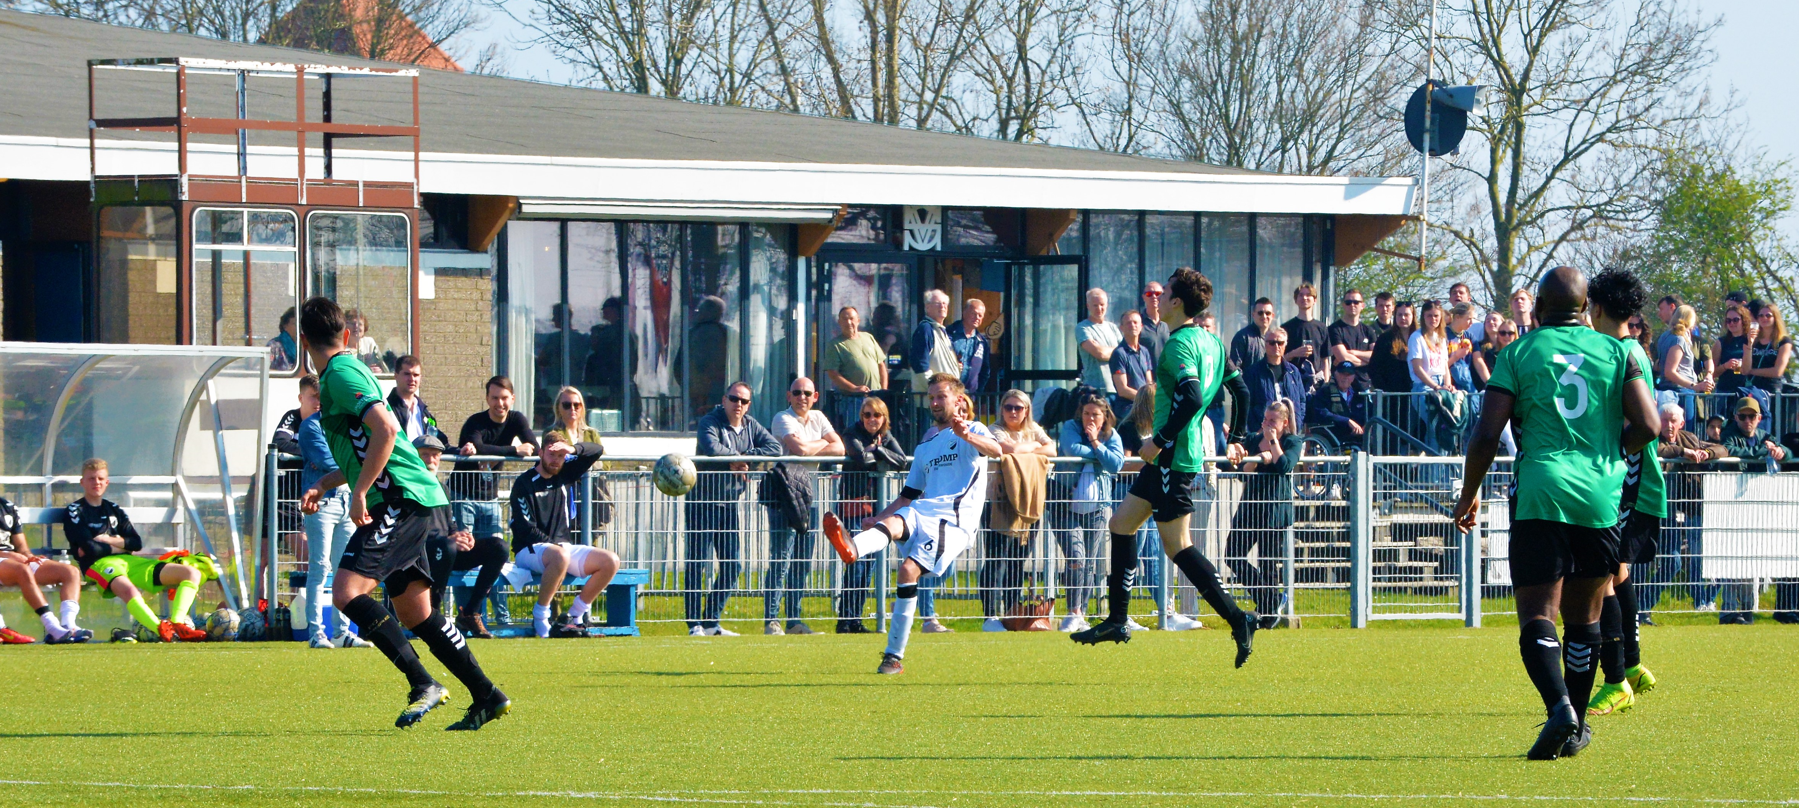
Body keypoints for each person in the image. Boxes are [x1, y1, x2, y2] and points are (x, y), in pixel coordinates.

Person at [1451, 266, 1658, 760]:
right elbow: (1649, 424)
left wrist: (1468, 494)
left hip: (1541, 491)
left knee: (1537, 616)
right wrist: (1609, 448)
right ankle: (1578, 724)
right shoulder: (1618, 351)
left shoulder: (1518, 352)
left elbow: (1485, 434)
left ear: (1539, 310)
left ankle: (1559, 707)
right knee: (1585, 619)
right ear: (1586, 309)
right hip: (1600, 497)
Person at [296, 296, 507, 730]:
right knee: (416, 613)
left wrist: (359, 492)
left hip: (399, 499)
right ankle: (487, 695)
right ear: (347, 335)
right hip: (407, 496)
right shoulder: (343, 374)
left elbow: (388, 430)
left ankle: (422, 683)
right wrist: (327, 483)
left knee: (346, 591)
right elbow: (368, 449)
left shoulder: (338, 372)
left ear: (303, 341)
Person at [1065, 267, 1257, 663]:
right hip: (1171, 459)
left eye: (1165, 291)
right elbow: (1241, 390)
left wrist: (1159, 440)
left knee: (1178, 546)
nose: (1157, 296)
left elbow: (1190, 397)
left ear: (1176, 302)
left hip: (1174, 457)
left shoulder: (1178, 346)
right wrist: (1236, 437)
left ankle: (1239, 618)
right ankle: (1117, 619)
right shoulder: (1212, 342)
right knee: (1121, 524)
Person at [820, 373, 1002, 674]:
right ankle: (853, 547)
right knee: (892, 523)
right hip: (922, 509)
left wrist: (966, 434)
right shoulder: (927, 443)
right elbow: (909, 494)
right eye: (930, 397)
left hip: (953, 523)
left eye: (940, 396)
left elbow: (997, 451)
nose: (933, 402)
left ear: (957, 400)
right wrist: (877, 517)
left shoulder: (974, 429)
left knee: (907, 570)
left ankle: (893, 655)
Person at [1582, 268, 1663, 717]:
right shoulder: (1634, 348)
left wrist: (1608, 450)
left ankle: (1616, 680)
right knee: (1617, 572)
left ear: (1595, 307)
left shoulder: (1617, 351)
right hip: (1637, 481)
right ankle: (1631, 667)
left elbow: (1642, 427)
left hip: (1629, 482)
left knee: (1604, 574)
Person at [64, 458, 206, 643]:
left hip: (130, 562)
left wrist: (107, 541)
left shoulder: (114, 509)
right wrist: (119, 545)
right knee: (130, 590)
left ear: (107, 482)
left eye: (100, 478)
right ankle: (162, 630)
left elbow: (136, 543)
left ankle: (178, 624)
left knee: (191, 573)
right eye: (91, 478)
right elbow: (89, 548)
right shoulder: (75, 511)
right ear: (82, 482)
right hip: (98, 565)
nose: (96, 482)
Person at [689, 382, 783, 636]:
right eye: (734, 399)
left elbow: (775, 447)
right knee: (697, 562)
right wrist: (735, 460)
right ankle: (693, 624)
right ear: (724, 399)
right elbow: (711, 448)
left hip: (730, 503)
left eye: (744, 401)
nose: (738, 404)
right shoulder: (710, 421)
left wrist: (746, 458)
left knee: (732, 565)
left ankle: (711, 622)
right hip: (703, 502)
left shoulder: (751, 425)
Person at [449, 376, 537, 638]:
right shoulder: (475, 422)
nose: (500, 403)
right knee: (464, 556)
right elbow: (476, 448)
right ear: (487, 399)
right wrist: (513, 449)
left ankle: (492, 614)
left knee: (497, 555)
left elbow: (534, 447)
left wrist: (522, 449)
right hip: (463, 495)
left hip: (490, 499)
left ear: (512, 399)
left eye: (504, 398)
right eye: (495, 398)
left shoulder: (517, 419)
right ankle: (462, 612)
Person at [508, 437, 617, 638]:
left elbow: (596, 450)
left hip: (561, 549)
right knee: (560, 556)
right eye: (551, 454)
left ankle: (574, 616)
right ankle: (540, 616)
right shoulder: (524, 483)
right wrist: (555, 547)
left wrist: (573, 449)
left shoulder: (565, 473)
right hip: (529, 549)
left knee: (610, 561)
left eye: (561, 456)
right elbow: (526, 528)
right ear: (540, 453)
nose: (556, 460)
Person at [296, 373, 374, 650]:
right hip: (323, 502)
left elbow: (356, 457)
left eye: (323, 396)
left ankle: (342, 632)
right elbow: (328, 461)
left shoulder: (340, 424)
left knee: (344, 569)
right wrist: (354, 466)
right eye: (315, 396)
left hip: (348, 499)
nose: (320, 402)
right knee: (320, 567)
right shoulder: (310, 426)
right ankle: (316, 633)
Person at [766, 376, 844, 635]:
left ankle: (794, 620)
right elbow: (798, 449)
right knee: (782, 558)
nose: (802, 397)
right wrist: (824, 442)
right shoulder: (782, 418)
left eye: (807, 393)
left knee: (802, 561)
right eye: (797, 392)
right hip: (784, 497)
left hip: (810, 498)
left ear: (816, 396)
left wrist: (815, 446)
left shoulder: (819, 417)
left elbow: (840, 446)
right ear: (789, 396)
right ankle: (772, 620)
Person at [980, 389, 1056, 632]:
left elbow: (1052, 449)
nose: (1013, 412)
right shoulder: (993, 429)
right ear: (1001, 409)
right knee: (997, 559)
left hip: (1030, 504)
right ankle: (990, 615)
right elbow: (1005, 449)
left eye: (1018, 408)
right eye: (1008, 407)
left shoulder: (1034, 428)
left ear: (1026, 410)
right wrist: (1034, 447)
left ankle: (1013, 611)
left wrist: (1028, 445)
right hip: (998, 502)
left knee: (1018, 559)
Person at [1643, 405, 1725, 623]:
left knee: (1678, 562)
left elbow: (1722, 449)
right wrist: (1682, 452)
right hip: (1653, 509)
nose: (1669, 425)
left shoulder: (1690, 438)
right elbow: (1656, 450)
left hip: (1683, 508)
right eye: (1665, 420)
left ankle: (1643, 606)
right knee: (1647, 563)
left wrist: (1705, 453)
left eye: (1673, 421)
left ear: (1681, 423)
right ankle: (1638, 609)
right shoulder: (1649, 435)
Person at [1053, 394, 1126, 633]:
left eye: (1096, 414)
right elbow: (1071, 448)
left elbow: (1116, 464)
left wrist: (1096, 442)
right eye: (1086, 413)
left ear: (1105, 416)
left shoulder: (1111, 434)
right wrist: (1099, 453)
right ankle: (1072, 612)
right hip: (1066, 505)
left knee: (1090, 562)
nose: (1090, 418)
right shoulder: (1070, 428)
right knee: (1076, 558)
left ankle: (1081, 613)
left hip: (1098, 508)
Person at [1225, 400, 1303, 625]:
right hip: (1250, 508)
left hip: (1274, 511)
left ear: (1284, 423)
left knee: (1267, 562)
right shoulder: (1252, 439)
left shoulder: (1292, 441)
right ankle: (1271, 599)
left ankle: (1269, 613)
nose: (1267, 424)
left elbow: (1285, 466)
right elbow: (1242, 472)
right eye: (1265, 420)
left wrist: (1273, 443)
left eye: (1273, 421)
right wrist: (1257, 461)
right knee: (1233, 554)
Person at [836, 397, 907, 634]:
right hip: (853, 506)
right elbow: (862, 460)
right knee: (855, 562)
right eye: (867, 415)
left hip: (876, 508)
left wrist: (877, 449)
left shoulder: (885, 436)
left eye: (876, 415)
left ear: (884, 417)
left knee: (868, 566)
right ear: (861, 417)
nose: (871, 420)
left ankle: (855, 619)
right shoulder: (851, 432)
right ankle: (845, 620)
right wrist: (876, 454)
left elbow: (901, 461)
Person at [0, 496, 90, 644]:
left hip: (12, 560)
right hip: (8, 561)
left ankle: (69, 625)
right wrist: (7, 554)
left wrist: (28, 556)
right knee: (22, 570)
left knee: (70, 572)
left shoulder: (7, 506)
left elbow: (21, 545)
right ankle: (52, 627)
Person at [821, 306, 889, 431]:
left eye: (851, 318)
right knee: (857, 434)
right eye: (844, 319)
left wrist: (883, 391)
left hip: (876, 398)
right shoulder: (835, 345)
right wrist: (854, 388)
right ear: (839, 322)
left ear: (858, 320)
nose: (848, 322)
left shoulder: (868, 338)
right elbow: (833, 373)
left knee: (880, 432)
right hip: (854, 401)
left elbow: (881, 365)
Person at [1409, 300, 1459, 453]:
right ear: (1423, 317)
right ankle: (1432, 476)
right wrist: (1435, 386)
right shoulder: (1416, 337)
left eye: (1436, 316)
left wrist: (1447, 384)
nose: (1433, 319)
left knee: (1445, 429)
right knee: (1436, 428)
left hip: (1440, 385)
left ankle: (1442, 475)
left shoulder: (1441, 338)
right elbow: (1417, 368)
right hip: (1423, 386)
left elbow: (1444, 365)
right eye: (1429, 316)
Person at [677, 295, 733, 421]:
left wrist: (689, 385)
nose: (697, 313)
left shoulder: (695, 333)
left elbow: (679, 366)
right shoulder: (727, 333)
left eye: (700, 310)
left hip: (702, 391)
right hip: (715, 390)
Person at [1243, 326, 1306, 429]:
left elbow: (1302, 401)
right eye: (1272, 343)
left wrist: (1297, 423)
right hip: (1264, 431)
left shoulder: (1293, 372)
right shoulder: (1253, 372)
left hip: (1290, 431)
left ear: (1285, 344)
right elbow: (1247, 404)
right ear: (1265, 344)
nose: (1276, 346)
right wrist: (1257, 429)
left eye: (1280, 343)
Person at [1655, 305, 1707, 426]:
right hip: (1681, 392)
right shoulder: (1678, 340)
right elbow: (1670, 371)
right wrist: (1694, 386)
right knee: (1686, 431)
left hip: (1669, 390)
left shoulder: (1664, 336)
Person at [584, 296, 638, 412]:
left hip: (613, 385)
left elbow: (600, 354)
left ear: (614, 310)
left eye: (605, 309)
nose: (603, 312)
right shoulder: (626, 331)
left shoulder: (613, 332)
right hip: (622, 383)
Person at [1307, 362, 1368, 450]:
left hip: (1360, 435)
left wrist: (1367, 425)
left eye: (1349, 374)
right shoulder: (1325, 391)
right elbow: (1322, 413)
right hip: (1336, 433)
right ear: (1335, 374)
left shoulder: (1359, 393)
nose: (1345, 377)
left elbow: (1369, 410)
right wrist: (1347, 421)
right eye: (1342, 374)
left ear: (1353, 377)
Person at [1281, 283, 1330, 391]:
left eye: (1308, 295)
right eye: (1301, 295)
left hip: (1317, 385)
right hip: (1293, 383)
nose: (1304, 298)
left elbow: (1325, 361)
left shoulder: (1321, 327)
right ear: (1296, 300)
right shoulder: (1286, 328)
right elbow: (1278, 359)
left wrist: (1325, 385)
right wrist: (1294, 353)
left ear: (1315, 300)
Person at [1326, 288, 1379, 388]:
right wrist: (1366, 361)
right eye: (1348, 302)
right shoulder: (1334, 329)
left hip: (1364, 386)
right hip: (1341, 386)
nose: (1352, 305)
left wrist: (1353, 353)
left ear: (1362, 305)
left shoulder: (1369, 330)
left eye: (1356, 302)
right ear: (1343, 305)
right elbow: (1344, 358)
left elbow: (1376, 356)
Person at [1110, 310, 1155, 424]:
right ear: (1122, 328)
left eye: (1135, 322)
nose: (1132, 326)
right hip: (1128, 407)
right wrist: (1145, 400)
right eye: (1128, 323)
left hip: (1146, 405)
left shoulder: (1145, 351)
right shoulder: (1119, 354)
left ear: (1141, 327)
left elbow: (1149, 382)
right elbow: (1123, 390)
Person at [387, 355, 445, 444]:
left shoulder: (425, 413)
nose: (412, 379)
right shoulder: (387, 410)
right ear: (396, 376)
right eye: (407, 374)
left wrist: (461, 451)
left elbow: (440, 444)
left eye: (416, 375)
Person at [908, 289, 961, 382]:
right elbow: (920, 365)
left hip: (947, 393)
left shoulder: (943, 331)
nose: (942, 306)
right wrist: (936, 389)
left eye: (945, 303)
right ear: (927, 307)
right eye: (938, 303)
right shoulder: (926, 329)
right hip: (933, 395)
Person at [1077, 288, 1124, 393]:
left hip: (1117, 388)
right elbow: (1100, 353)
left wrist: (1106, 350)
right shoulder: (1083, 328)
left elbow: (1125, 352)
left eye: (1102, 304)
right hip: (1094, 389)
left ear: (1107, 305)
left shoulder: (1113, 328)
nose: (1099, 308)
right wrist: (1116, 350)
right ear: (1088, 306)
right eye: (1095, 305)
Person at [947, 299, 992, 393]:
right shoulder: (948, 334)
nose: (977, 318)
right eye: (973, 313)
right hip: (948, 393)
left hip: (970, 396)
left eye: (980, 315)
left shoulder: (982, 342)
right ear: (964, 312)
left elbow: (985, 371)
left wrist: (978, 392)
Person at [1711, 304, 1754, 400]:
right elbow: (1711, 372)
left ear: (1743, 320)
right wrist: (1725, 366)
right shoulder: (1720, 342)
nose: (1731, 323)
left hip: (1746, 392)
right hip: (1724, 392)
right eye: (1728, 321)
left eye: (1735, 320)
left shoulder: (1750, 340)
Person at [1230, 298, 1277, 373]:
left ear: (1272, 316)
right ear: (1253, 315)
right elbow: (1235, 368)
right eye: (1260, 313)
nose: (1264, 316)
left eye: (1268, 313)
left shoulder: (1276, 338)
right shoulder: (1242, 337)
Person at [345, 308, 387, 373]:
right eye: (352, 323)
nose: (356, 326)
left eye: (360, 324)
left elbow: (382, 366)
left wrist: (379, 370)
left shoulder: (369, 342)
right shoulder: (341, 347)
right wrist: (367, 370)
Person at [1139, 281, 1172, 357]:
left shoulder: (1171, 320)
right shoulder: (1137, 323)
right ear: (1143, 297)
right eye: (1149, 294)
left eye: (1158, 294)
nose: (1154, 297)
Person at [269, 306, 298, 372]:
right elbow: (265, 371)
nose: (300, 328)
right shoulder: (274, 346)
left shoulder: (308, 346)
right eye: (295, 324)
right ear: (285, 326)